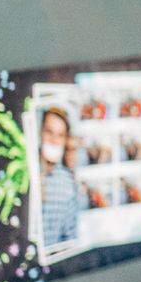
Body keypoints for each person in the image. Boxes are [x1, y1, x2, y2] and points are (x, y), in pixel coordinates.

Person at [36, 106, 80, 247]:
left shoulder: (68, 184)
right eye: (49, 132)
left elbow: (70, 236)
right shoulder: (21, 175)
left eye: (60, 135)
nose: (54, 140)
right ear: (40, 133)